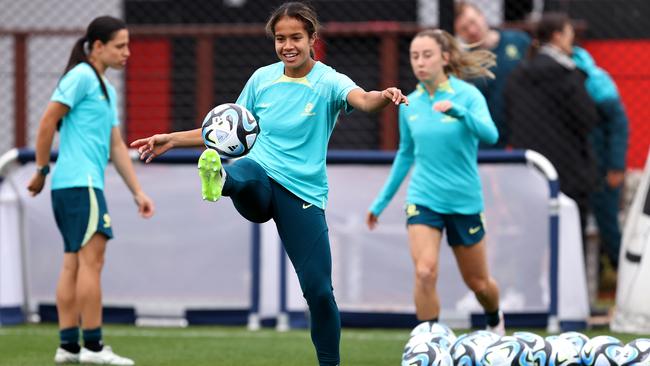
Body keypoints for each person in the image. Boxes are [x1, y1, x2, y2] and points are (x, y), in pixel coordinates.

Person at [130, 2, 408, 365]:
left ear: (312, 38)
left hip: (303, 194)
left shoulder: (329, 82)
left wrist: (383, 97)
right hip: (258, 182)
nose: (287, 45)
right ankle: (221, 178)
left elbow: (364, 101)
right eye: (280, 38)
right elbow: (226, 129)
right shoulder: (262, 79)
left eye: (295, 37)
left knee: (320, 292)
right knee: (246, 168)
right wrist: (171, 138)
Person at [27, 16, 154, 366]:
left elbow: (115, 145)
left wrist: (137, 191)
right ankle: (93, 348)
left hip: (74, 186)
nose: (127, 52)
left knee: (73, 264)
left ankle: (68, 347)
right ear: (97, 46)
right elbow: (47, 121)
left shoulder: (105, 88)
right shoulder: (81, 76)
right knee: (91, 264)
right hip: (80, 185)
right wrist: (40, 169)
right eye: (120, 46)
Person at [366, 29, 505, 336]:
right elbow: (405, 155)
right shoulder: (410, 103)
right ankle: (430, 341)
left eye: (427, 55)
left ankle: (495, 319)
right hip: (424, 198)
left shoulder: (468, 96)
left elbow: (491, 135)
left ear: (444, 58)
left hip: (464, 201)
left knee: (479, 284)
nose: (420, 62)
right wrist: (380, 203)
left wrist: (460, 113)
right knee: (425, 270)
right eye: (415, 56)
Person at [504, 13, 599, 238]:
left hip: (531, 170)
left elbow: (507, 115)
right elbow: (587, 119)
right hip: (570, 171)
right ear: (557, 37)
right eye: (569, 34)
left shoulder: (517, 75)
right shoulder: (569, 75)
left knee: (533, 235)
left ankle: (531, 274)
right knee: (571, 236)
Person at [572, 46, 629, 271]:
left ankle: (624, 276)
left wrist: (616, 165)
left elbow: (619, 126)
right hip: (579, 167)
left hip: (603, 168)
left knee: (608, 225)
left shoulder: (597, 83)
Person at [454, 1, 530, 148]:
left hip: (526, 129)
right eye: (464, 29)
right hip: (492, 140)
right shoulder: (465, 68)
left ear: (482, 17)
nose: (472, 30)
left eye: (473, 22)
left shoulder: (518, 41)